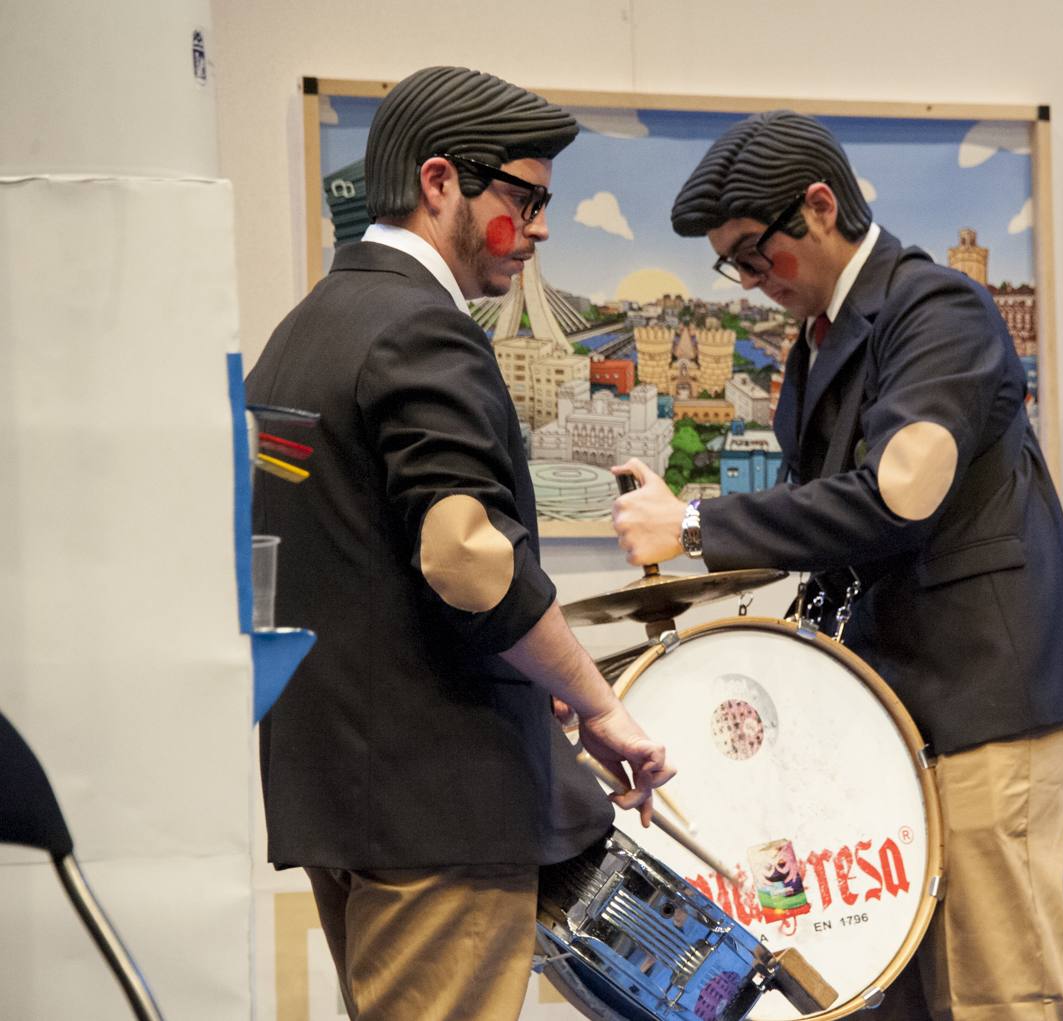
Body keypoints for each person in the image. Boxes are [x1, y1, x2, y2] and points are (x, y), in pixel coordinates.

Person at [611, 110, 1063, 1021]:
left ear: (819, 206)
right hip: (886, 714)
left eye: (757, 256)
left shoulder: (939, 310)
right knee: (892, 996)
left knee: (995, 989)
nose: (752, 282)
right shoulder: (817, 341)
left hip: (980, 701)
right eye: (733, 266)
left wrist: (691, 524)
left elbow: (895, 498)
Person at [246, 65, 674, 1020]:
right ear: (439, 182)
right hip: (440, 808)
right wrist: (596, 702)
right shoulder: (421, 331)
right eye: (522, 198)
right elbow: (464, 555)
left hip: (338, 794)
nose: (540, 227)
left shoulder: (300, 332)